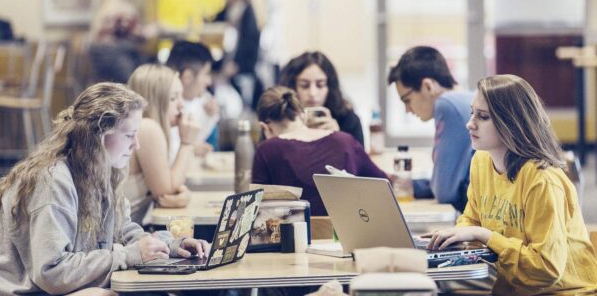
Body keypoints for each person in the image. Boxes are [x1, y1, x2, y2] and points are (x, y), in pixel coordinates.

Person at [0, 82, 209, 295]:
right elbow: (52, 273)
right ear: (99, 135)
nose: (136, 145)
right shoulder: (54, 180)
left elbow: (123, 231)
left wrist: (170, 246)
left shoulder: (102, 171)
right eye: (129, 135)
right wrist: (128, 256)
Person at [427, 74, 597, 295]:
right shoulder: (481, 161)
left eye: (483, 116)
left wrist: (484, 235)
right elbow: (472, 218)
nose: (470, 124)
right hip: (513, 288)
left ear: (512, 123)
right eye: (472, 113)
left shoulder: (542, 180)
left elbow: (546, 269)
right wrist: (454, 236)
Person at [252, 86, 389, 216]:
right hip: (347, 236)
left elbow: (256, 212)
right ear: (302, 115)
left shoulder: (266, 150)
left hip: (297, 238)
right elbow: (385, 185)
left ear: (265, 127)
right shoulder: (345, 140)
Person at [387, 46, 473, 212]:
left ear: (428, 86)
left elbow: (444, 192)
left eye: (407, 100)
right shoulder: (467, 98)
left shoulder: (448, 105)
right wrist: (414, 186)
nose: (407, 110)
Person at [124, 64, 201, 224]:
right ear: (154, 101)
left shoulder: (146, 127)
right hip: (118, 239)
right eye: (173, 98)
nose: (181, 105)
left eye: (181, 96)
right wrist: (187, 142)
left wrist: (183, 195)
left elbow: (168, 191)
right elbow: (167, 192)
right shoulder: (147, 127)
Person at [279, 51, 365, 146]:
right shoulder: (279, 120)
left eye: (320, 85)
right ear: (292, 87)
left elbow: (359, 159)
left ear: (330, 87)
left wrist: (339, 137)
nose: (313, 93)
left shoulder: (348, 120)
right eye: (304, 86)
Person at [89, 0, 158, 84]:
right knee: (154, 68)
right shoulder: (123, 7)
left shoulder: (103, 5)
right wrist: (156, 29)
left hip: (101, 62)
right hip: (118, 61)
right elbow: (140, 35)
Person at [212, 0, 262, 110]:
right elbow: (218, 17)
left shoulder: (246, 10)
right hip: (231, 55)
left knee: (240, 93)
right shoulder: (230, 9)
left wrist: (238, 64)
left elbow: (249, 41)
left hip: (243, 61)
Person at [166, 40, 219, 155]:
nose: (209, 81)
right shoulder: (163, 106)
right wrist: (191, 148)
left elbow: (195, 139)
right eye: (206, 74)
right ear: (188, 76)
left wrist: (209, 116)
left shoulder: (201, 100)